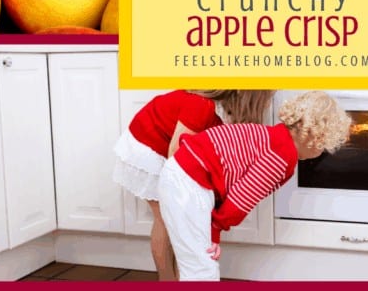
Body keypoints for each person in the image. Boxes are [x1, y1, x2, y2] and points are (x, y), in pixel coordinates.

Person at [157, 90, 352, 281]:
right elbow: (240, 199)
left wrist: (212, 232)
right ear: (314, 139)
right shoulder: (281, 157)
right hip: (188, 181)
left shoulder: (272, 138)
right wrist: (215, 230)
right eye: (323, 148)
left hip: (184, 175)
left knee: (196, 260)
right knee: (201, 269)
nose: (321, 153)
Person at [113, 89, 275, 281]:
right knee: (166, 221)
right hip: (146, 149)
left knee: (178, 221)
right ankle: (167, 281)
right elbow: (176, 152)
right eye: (264, 101)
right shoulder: (202, 106)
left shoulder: (216, 112)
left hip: (157, 144)